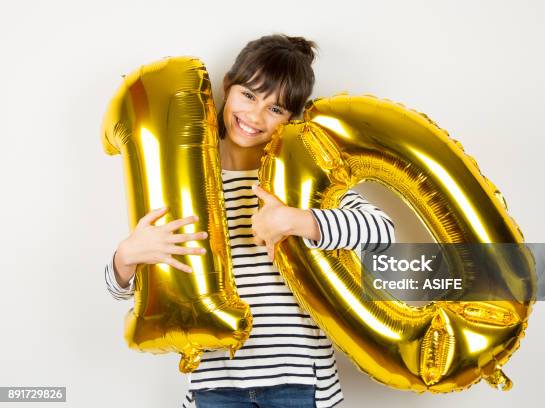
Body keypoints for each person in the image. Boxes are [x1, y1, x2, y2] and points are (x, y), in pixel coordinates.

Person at [104, 34, 396, 408]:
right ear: (228, 87)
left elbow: (381, 232)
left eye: (276, 110)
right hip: (214, 383)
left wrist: (297, 220)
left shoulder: (295, 179)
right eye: (249, 95)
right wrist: (126, 257)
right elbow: (127, 290)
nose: (256, 116)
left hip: (300, 381)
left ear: (293, 117)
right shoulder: (184, 181)